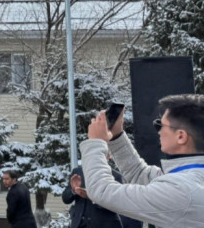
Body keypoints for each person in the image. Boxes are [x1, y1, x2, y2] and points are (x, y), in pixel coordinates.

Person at [81, 95, 204, 227]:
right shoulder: (191, 179)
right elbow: (139, 174)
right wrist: (116, 137)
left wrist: (95, 142)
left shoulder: (181, 191)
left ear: (181, 136)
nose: (159, 132)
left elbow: (103, 191)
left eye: (160, 125)